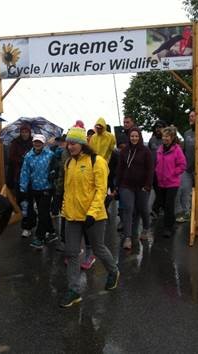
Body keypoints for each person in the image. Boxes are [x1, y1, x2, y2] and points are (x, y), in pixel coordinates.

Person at [59, 126, 119, 308]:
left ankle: (113, 271)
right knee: (71, 252)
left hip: (94, 216)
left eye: (74, 143)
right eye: (69, 143)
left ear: (83, 143)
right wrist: (63, 210)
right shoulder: (69, 163)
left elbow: (101, 190)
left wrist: (92, 213)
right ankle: (74, 290)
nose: (70, 147)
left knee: (98, 248)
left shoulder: (97, 161)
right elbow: (68, 191)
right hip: (72, 216)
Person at [116, 127, 153, 249]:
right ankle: (127, 237)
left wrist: (147, 186)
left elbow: (150, 170)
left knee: (143, 209)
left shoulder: (146, 151)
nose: (134, 138)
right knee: (128, 209)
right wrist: (118, 185)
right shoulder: (124, 151)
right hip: (126, 185)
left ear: (140, 137)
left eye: (136, 136)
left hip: (142, 186)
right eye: (132, 136)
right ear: (129, 137)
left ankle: (146, 228)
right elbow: (120, 169)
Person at [20, 134, 58, 249]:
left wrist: (54, 173)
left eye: (40, 142)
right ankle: (51, 231)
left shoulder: (50, 154)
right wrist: (23, 187)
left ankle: (39, 238)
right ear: (33, 142)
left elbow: (56, 167)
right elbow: (25, 172)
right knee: (44, 212)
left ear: (44, 143)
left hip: (47, 188)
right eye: (36, 141)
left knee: (42, 212)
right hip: (35, 188)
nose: (37, 144)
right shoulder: (28, 156)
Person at [155, 126, 186, 237]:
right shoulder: (160, 149)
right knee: (163, 204)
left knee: (169, 205)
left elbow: (182, 165)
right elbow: (157, 163)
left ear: (172, 137)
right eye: (164, 136)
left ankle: (168, 228)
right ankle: (171, 223)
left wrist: (173, 172)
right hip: (161, 182)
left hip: (172, 182)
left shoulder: (177, 150)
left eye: (167, 136)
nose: (165, 138)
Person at [6, 123, 34, 237]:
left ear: (29, 132)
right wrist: (22, 159)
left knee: (30, 201)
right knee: (22, 201)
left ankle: (28, 225)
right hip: (18, 176)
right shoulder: (15, 143)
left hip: (33, 177)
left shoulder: (34, 142)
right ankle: (27, 224)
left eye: (26, 131)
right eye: (22, 131)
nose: (24, 134)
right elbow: (11, 158)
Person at [148, 120, 168, 218]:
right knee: (157, 190)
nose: (158, 129)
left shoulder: (167, 140)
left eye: (160, 127)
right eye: (156, 127)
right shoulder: (152, 140)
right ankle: (158, 208)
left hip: (164, 170)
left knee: (162, 190)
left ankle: (156, 208)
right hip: (153, 170)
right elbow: (148, 153)